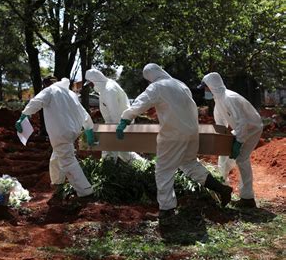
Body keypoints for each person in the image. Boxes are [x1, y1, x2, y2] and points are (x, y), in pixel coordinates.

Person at [116, 63, 232, 219]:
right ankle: (222, 189)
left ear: (150, 77)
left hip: (173, 135)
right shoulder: (180, 84)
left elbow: (139, 104)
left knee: (163, 170)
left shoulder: (157, 87)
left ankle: (166, 210)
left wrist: (124, 119)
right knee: (189, 164)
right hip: (191, 132)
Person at [15, 76, 95, 198]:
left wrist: (24, 115)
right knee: (56, 158)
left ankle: (86, 192)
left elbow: (36, 102)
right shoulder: (70, 93)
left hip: (61, 133)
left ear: (45, 85)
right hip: (72, 132)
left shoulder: (50, 90)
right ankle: (58, 184)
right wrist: (89, 129)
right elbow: (83, 112)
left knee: (68, 161)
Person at [198, 72, 263, 208]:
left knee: (241, 158)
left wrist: (238, 142)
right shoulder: (218, 101)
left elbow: (243, 122)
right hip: (240, 129)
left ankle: (247, 198)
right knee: (224, 156)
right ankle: (223, 186)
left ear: (212, 86)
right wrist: (221, 141)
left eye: (206, 88)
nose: (205, 91)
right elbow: (221, 126)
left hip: (252, 128)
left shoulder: (229, 98)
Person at [85, 69, 145, 163]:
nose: (91, 86)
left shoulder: (109, 90)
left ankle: (107, 172)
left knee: (109, 151)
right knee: (123, 152)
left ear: (95, 81)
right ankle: (145, 166)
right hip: (117, 123)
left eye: (90, 84)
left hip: (119, 124)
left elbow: (115, 113)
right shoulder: (106, 87)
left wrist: (116, 129)